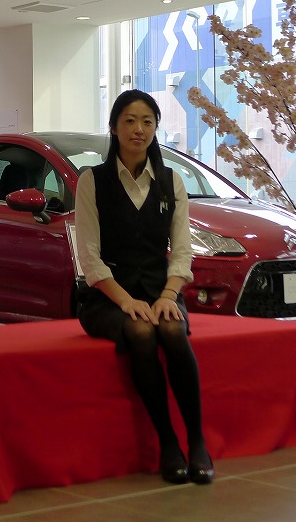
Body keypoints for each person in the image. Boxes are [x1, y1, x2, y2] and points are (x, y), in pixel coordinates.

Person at [74, 89, 213, 485]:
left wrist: (169, 295)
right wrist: (126, 300)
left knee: (170, 327)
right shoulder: (93, 181)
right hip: (105, 297)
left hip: (159, 290)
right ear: (115, 127)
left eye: (148, 122)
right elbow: (90, 258)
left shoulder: (172, 182)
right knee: (139, 330)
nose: (139, 129)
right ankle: (168, 443)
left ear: (156, 128)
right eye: (130, 121)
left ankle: (198, 441)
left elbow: (183, 252)